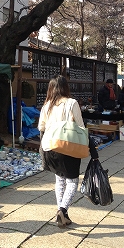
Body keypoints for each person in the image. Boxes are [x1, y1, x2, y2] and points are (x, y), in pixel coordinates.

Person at [38, 75, 99, 229]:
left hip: (51, 147)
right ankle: (63, 210)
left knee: (59, 180)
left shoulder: (47, 106)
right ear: (66, 87)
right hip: (68, 146)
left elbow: (41, 128)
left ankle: (63, 215)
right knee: (72, 181)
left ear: (51, 89)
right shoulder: (72, 103)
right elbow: (80, 126)